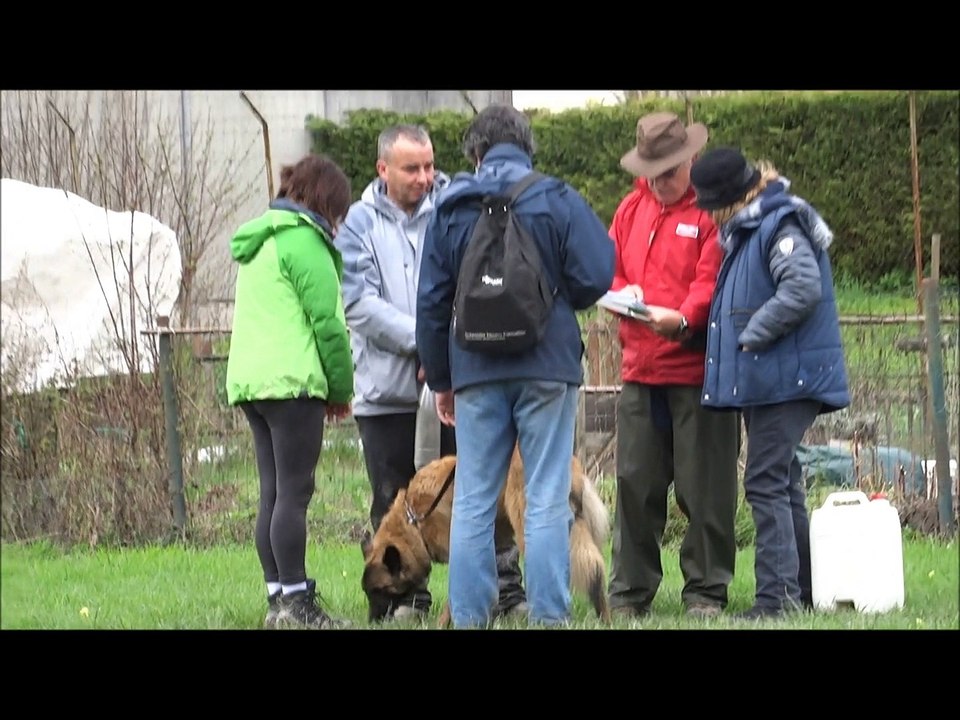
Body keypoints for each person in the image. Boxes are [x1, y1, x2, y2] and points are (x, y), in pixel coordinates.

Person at [416, 104, 615, 628]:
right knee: (547, 497)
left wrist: (441, 379)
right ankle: (551, 617)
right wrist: (556, 294)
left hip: (476, 371)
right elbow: (598, 274)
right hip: (547, 367)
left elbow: (432, 301)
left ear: (475, 155)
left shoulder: (451, 206)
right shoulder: (557, 199)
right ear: (529, 150)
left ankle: (471, 620)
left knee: (475, 501)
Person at [335, 124, 526, 622]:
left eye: (429, 166)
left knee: (481, 491)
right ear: (383, 169)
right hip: (388, 392)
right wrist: (427, 339)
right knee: (393, 501)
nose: (425, 177)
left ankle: (504, 589)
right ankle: (403, 597)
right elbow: (359, 304)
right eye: (411, 168)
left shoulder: (458, 206)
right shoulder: (358, 224)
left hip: (457, 382)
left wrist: (446, 351)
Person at [689, 146, 850, 619]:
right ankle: (799, 590)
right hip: (773, 377)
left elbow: (801, 287)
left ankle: (775, 600)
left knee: (764, 481)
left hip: (787, 377)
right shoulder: (753, 227)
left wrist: (752, 333)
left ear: (727, 200)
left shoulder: (779, 223)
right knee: (783, 481)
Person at [606, 111, 740, 620]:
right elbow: (612, 269)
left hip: (695, 369)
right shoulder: (630, 208)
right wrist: (620, 298)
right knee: (635, 486)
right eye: (652, 172)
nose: (660, 182)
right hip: (640, 371)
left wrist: (684, 319)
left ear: (691, 161)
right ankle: (628, 592)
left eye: (669, 172)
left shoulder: (711, 213)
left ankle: (706, 590)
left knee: (704, 488)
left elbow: (711, 280)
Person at [225, 153, 355, 629]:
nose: (337, 225)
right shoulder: (305, 242)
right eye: (338, 214)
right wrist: (340, 389)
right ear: (327, 202)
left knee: (273, 493)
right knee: (295, 494)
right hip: (292, 382)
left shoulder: (258, 239)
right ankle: (298, 605)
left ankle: (278, 600)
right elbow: (329, 325)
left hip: (250, 382)